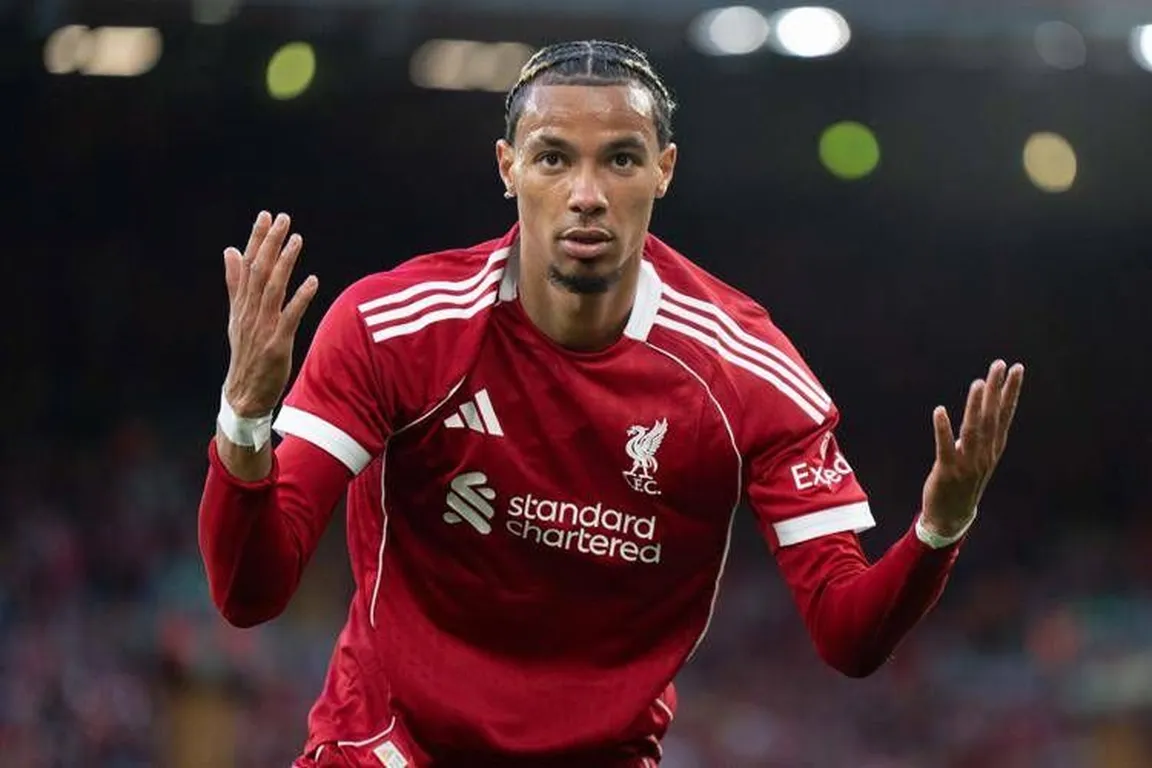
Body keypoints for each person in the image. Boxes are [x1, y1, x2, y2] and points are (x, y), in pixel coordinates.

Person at [198, 40, 1025, 768]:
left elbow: (847, 635)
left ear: (664, 169)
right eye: (554, 158)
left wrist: (938, 529)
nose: (586, 193)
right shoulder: (396, 329)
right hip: (388, 746)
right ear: (508, 167)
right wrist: (244, 418)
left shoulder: (746, 374)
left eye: (621, 160)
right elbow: (250, 593)